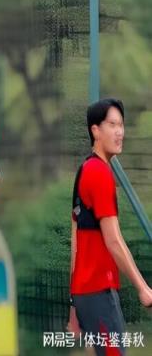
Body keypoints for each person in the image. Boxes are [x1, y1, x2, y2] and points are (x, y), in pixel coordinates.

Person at [68, 98, 152, 355]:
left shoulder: (85, 170)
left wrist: (73, 305)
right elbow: (113, 240)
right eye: (112, 125)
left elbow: (76, 244)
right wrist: (143, 288)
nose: (120, 132)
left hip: (86, 295)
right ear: (95, 130)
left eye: (121, 125)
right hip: (98, 292)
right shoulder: (99, 173)